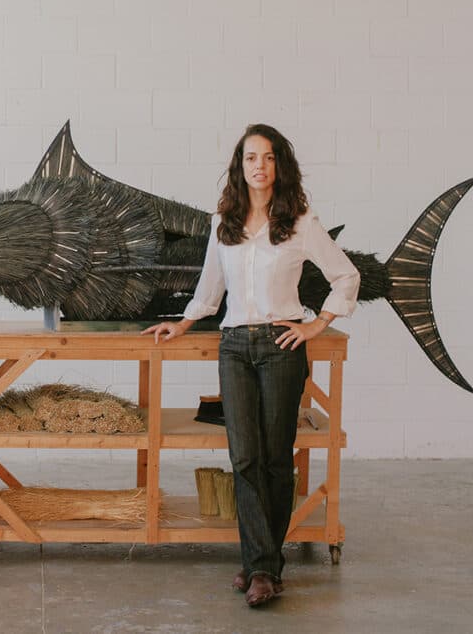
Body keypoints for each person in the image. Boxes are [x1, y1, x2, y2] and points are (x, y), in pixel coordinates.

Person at [142, 123, 360, 608]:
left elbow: (346, 274)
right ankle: (264, 566)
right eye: (249, 158)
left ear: (279, 165)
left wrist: (315, 324)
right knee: (244, 457)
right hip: (235, 347)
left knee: (276, 460)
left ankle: (260, 566)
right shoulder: (226, 223)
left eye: (267, 158)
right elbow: (210, 288)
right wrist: (182, 323)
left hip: (282, 346)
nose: (258, 166)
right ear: (239, 168)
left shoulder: (300, 221)